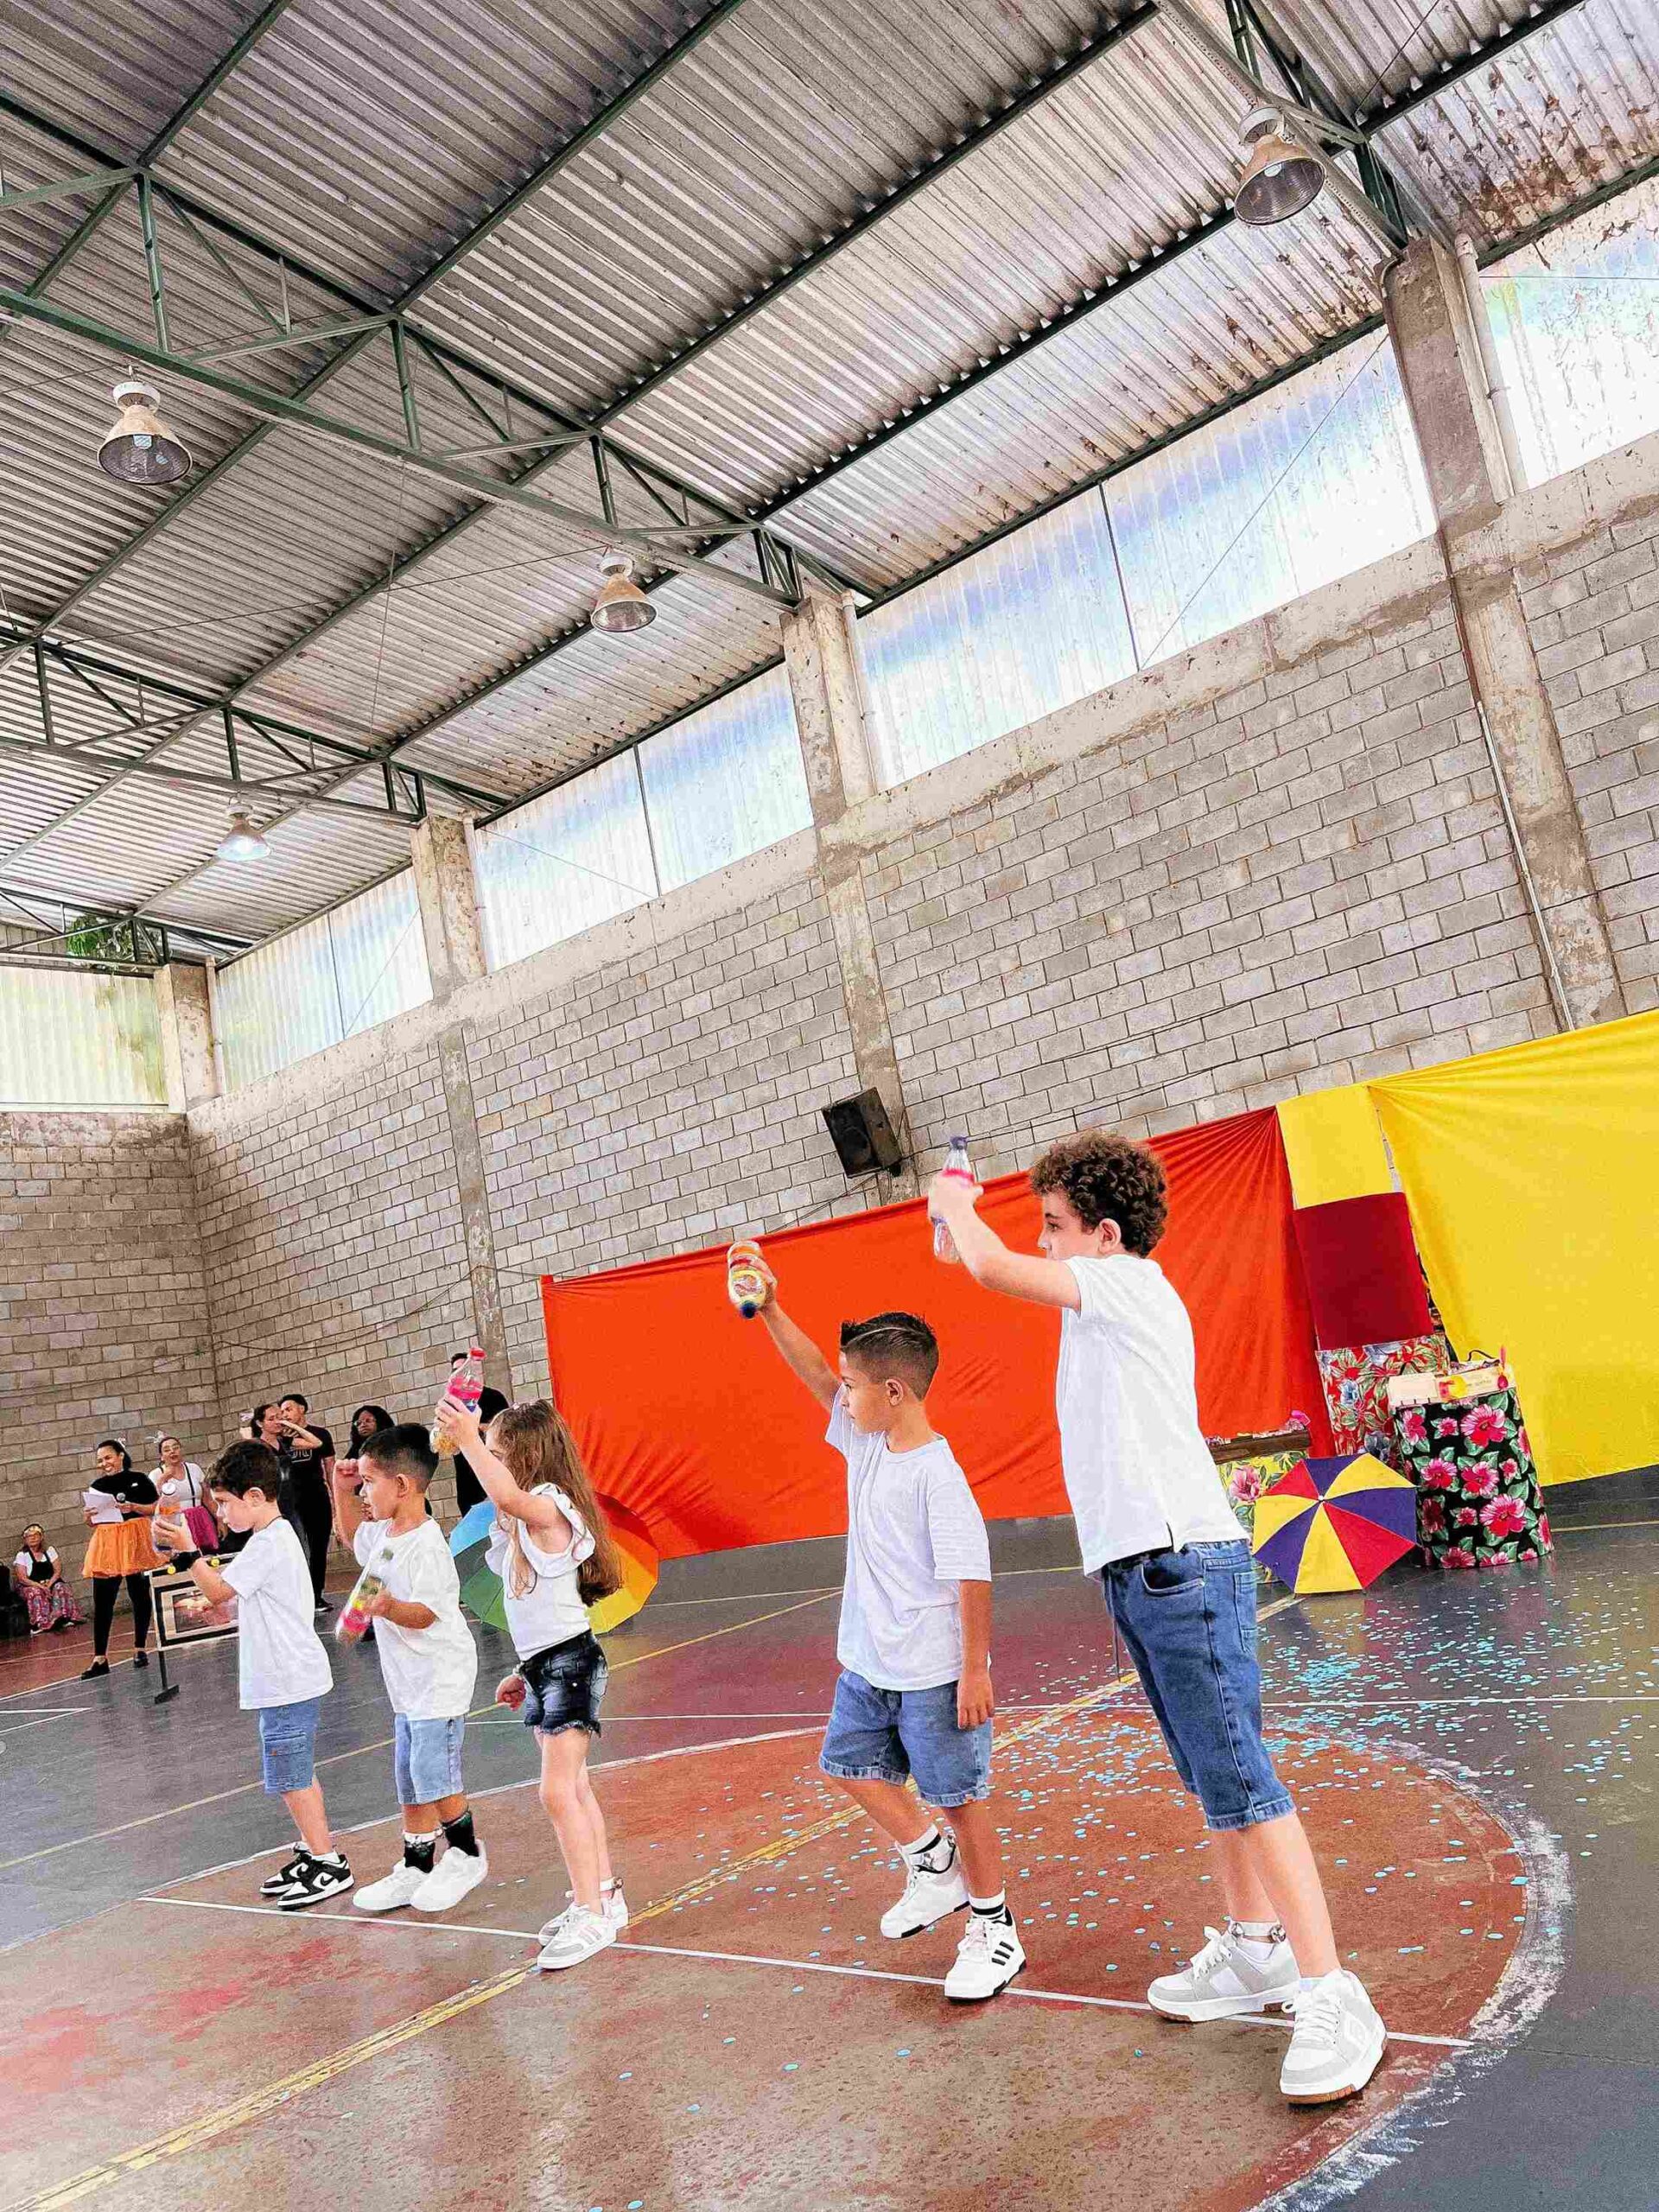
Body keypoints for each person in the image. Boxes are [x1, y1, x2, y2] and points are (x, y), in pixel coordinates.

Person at [927, 1129, 1387, 2101]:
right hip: (1140, 1570)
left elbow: (981, 1262)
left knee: (1244, 1776)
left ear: (1103, 1233)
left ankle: (1331, 1987)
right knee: (1214, 1771)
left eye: (1054, 1227)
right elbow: (958, 1249)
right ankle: (1257, 1950)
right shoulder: (1099, 1302)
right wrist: (949, 1202)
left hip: (1183, 1563)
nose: (1042, 1243)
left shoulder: (1132, 1285)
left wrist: (955, 1201)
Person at [737, 1248, 1025, 2004]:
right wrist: (769, 1307)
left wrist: (975, 1668)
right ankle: (931, 1861)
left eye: (858, 1386)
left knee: (960, 1797)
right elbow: (817, 1378)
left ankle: (995, 1931)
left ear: (894, 1391)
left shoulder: (937, 1474)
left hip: (933, 1670)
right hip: (869, 1663)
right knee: (846, 1765)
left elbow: (973, 1574)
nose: (844, 1396)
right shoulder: (866, 1441)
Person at [434, 1395, 624, 1974]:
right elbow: (538, 1606)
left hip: (569, 1663)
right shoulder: (522, 1520)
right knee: (576, 1789)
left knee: (556, 1791)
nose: (487, 1461)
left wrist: (467, 1437)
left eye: (495, 1453)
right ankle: (604, 1896)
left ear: (525, 1456)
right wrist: (524, 1671)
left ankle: (590, 1911)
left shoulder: (548, 1503)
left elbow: (508, 1495)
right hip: (546, 1665)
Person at [155, 1440, 351, 1909]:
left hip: (288, 1678)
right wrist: (216, 1611)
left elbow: (221, 1590)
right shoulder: (267, 1542)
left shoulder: (271, 1541)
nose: (221, 1515)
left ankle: (328, 1862)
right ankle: (313, 1849)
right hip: (281, 1676)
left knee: (292, 1774)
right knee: (293, 1771)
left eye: (224, 1504)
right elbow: (238, 1604)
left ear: (257, 1497)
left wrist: (188, 1552)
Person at [327, 1424, 487, 1915]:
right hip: (407, 1684)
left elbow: (428, 1614)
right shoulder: (383, 1534)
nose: (364, 1492)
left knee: (431, 1770)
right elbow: (349, 1533)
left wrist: (387, 1607)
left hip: (439, 1677)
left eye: (369, 1483)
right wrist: (339, 1485)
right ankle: (416, 1863)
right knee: (408, 1776)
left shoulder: (428, 1545)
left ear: (402, 1486)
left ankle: (466, 1852)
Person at [79, 1440, 162, 1680]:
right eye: (100, 1460)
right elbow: (92, 1521)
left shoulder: (139, 1478)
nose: (104, 1463)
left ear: (120, 1455)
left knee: (139, 1593)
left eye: (108, 1457)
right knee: (103, 1599)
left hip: (135, 1538)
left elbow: (155, 1507)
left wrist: (133, 1507)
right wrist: (88, 1516)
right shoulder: (97, 1486)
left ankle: (140, 1648)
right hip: (107, 1541)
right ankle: (100, 1657)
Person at [276, 1394, 337, 1613]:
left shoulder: (320, 1434)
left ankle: (316, 1595)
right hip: (289, 1498)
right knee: (297, 1548)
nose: (285, 1414)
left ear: (302, 1409)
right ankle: (297, 1596)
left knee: (318, 1546)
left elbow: (330, 1468)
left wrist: (335, 1496)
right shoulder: (280, 1438)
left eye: (288, 1409)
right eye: (281, 1411)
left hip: (316, 1494)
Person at [448, 1357, 509, 1516]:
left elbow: (505, 1429)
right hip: (466, 1475)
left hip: (493, 1468)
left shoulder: (493, 1397)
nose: (461, 1374)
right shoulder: (453, 1402)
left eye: (464, 1369)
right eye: (456, 1371)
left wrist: (474, 1428)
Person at [150, 1435, 218, 1554]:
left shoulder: (194, 1468)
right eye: (167, 1450)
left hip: (199, 1519)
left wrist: (220, 1520)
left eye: (175, 1447)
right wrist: (164, 1478)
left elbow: (208, 1499)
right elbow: (155, 1503)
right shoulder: (156, 1474)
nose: (172, 1451)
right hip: (175, 1522)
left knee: (207, 1555)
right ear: (161, 1456)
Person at [12, 1525, 83, 1635]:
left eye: (36, 1535)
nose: (33, 1538)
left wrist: (49, 1586)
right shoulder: (22, 1555)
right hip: (31, 1584)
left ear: (41, 1537)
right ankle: (40, 1623)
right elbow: (22, 1578)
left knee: (61, 1587)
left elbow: (57, 1571)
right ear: (25, 1540)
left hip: (50, 1582)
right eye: (29, 1536)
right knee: (36, 1593)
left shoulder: (50, 1551)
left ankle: (64, 1618)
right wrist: (42, 1587)